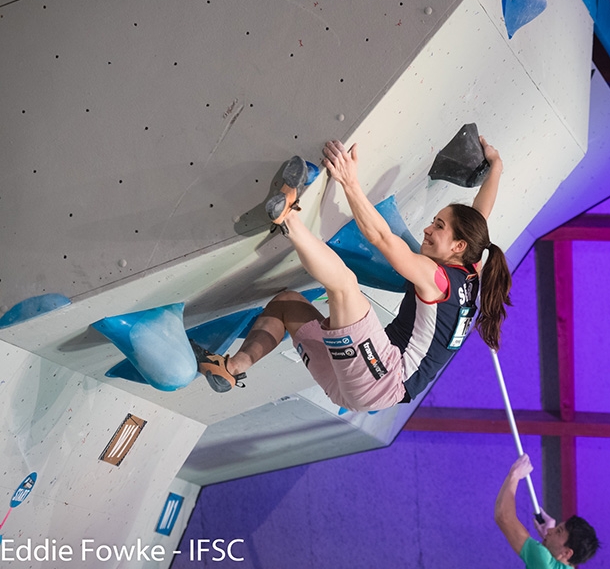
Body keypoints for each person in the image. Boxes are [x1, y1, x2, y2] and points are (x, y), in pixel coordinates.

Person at [193, 136, 511, 411]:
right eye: (434, 221)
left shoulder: (437, 278)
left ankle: (286, 217)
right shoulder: (470, 270)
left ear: (457, 245)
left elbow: (383, 239)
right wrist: (495, 167)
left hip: (382, 375)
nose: (427, 229)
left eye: (438, 227)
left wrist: (349, 180)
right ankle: (231, 368)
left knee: (344, 285)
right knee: (287, 304)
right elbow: (479, 215)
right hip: (361, 388)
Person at [495, 454, 599, 568]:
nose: (550, 529)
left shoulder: (543, 561)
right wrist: (548, 540)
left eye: (558, 531)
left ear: (566, 553)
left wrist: (514, 475)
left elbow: (503, 517)